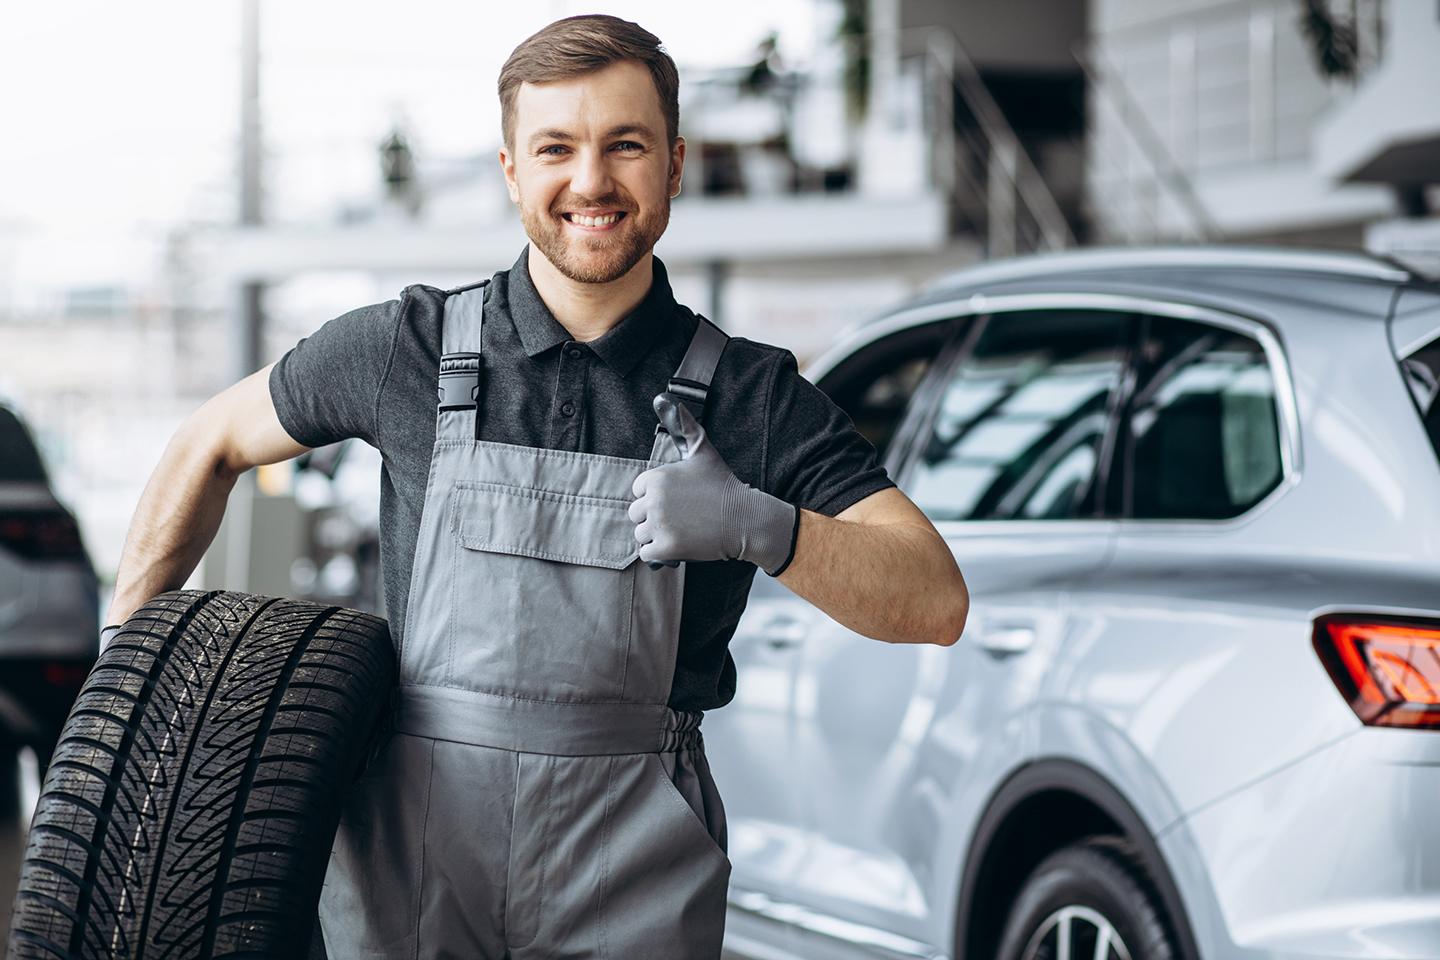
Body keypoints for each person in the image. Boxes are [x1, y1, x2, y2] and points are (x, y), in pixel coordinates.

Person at [105, 14, 969, 960]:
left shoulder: (752, 394)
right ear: (513, 170)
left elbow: (933, 599)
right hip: (411, 868)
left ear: (675, 164)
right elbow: (211, 441)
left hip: (636, 871)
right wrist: (129, 684)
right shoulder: (409, 349)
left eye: (625, 146)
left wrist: (767, 528)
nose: (591, 182)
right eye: (556, 148)